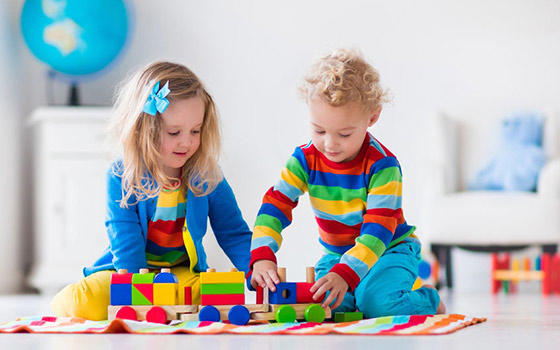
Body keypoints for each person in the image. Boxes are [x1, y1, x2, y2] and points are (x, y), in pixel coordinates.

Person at [250, 49, 445, 318]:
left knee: (377, 304)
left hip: (388, 249)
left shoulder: (383, 166)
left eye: (344, 134)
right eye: (319, 130)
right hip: (338, 255)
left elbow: (378, 232)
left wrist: (346, 274)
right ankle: (359, 290)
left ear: (372, 118)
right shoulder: (304, 160)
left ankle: (429, 300)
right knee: (326, 306)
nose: (329, 144)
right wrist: (262, 254)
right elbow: (276, 205)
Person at [51, 62, 252, 320]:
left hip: (178, 272)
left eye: (195, 131)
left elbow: (233, 230)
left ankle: (165, 305)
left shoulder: (206, 174)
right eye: (174, 132)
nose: (187, 142)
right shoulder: (122, 175)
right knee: (81, 302)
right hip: (127, 272)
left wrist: (255, 266)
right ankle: (153, 305)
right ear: (145, 129)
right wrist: (138, 290)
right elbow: (123, 233)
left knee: (216, 295)